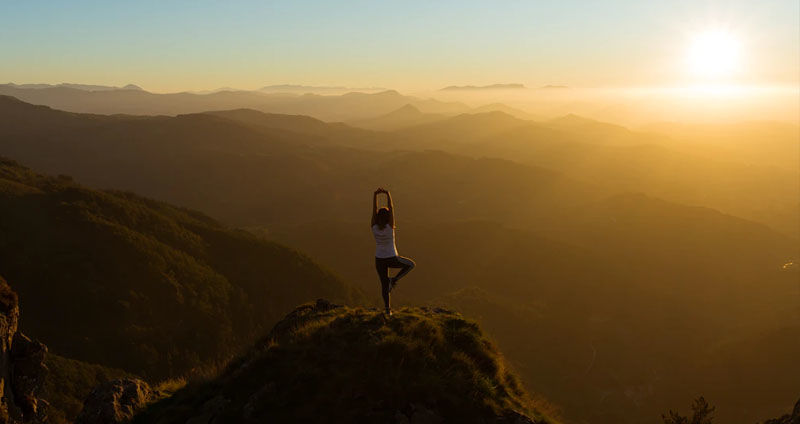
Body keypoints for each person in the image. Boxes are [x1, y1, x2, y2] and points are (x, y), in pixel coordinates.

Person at [371, 187, 415, 316]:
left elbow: (373, 211)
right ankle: (394, 280)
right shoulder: (390, 227)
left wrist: (375, 196)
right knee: (411, 265)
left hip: (379, 259)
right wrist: (387, 194)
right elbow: (392, 208)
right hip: (391, 257)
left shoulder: (374, 227)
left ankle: (387, 310)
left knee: (384, 285)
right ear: (388, 217)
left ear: (378, 216)